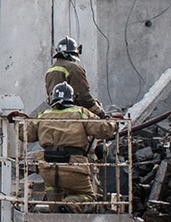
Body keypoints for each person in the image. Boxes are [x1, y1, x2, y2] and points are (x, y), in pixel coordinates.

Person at [25, 81, 120, 209]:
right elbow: (103, 130)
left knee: (54, 200)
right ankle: (70, 205)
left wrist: (17, 120)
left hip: (47, 167)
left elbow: (26, 134)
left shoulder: (44, 115)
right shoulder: (80, 112)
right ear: (72, 98)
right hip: (74, 166)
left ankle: (57, 218)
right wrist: (113, 123)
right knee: (88, 196)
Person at [45, 36, 106, 117]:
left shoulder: (50, 70)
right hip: (73, 115)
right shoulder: (73, 68)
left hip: (54, 115)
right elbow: (83, 96)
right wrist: (100, 113)